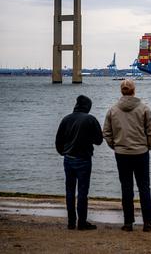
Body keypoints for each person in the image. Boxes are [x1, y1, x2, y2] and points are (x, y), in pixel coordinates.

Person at [103, 79, 151, 232]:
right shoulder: (144, 109)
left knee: (126, 188)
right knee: (144, 187)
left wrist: (115, 146)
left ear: (122, 91)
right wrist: (148, 145)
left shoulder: (112, 110)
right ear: (134, 90)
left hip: (121, 154)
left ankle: (128, 223)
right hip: (141, 153)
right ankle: (147, 223)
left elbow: (106, 132)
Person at [55, 95, 103, 230]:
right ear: (88, 106)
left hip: (68, 159)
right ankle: (82, 222)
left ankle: (71, 222)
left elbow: (58, 141)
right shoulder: (90, 119)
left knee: (69, 191)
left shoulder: (66, 119)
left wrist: (63, 152)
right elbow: (99, 140)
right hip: (84, 160)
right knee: (82, 192)